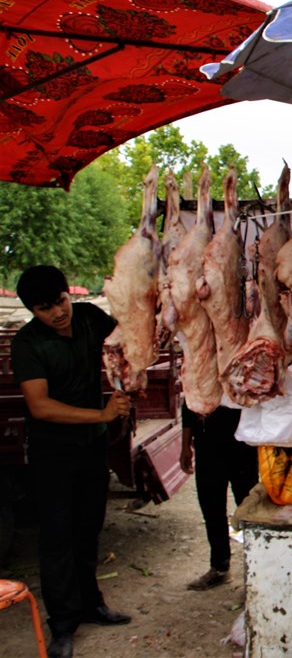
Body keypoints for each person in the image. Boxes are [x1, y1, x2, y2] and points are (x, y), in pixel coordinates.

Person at [10, 265, 132, 658]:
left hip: (91, 447)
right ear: (32, 310)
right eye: (46, 308)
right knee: (57, 537)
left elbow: (128, 338)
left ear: (69, 294)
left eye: (61, 301)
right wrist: (101, 414)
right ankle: (62, 624)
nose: (58, 312)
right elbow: (39, 406)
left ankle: (91, 603)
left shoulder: (91, 318)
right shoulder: (27, 344)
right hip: (52, 451)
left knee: (88, 527)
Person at [179, 403, 258, 591]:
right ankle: (220, 567)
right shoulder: (199, 374)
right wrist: (185, 446)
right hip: (207, 447)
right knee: (211, 508)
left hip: (242, 447)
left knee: (249, 510)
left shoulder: (241, 375)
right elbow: (188, 406)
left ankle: (257, 569)